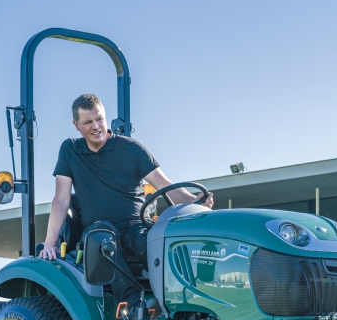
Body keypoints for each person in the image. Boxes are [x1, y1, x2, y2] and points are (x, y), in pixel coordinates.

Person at [39, 94, 213, 307]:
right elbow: (61, 199)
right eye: (88, 122)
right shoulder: (70, 150)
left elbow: (165, 186)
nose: (96, 126)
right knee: (102, 239)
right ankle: (132, 306)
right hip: (98, 230)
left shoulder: (131, 149)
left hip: (134, 225)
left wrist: (195, 201)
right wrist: (50, 244)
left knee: (157, 245)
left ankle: (183, 303)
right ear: (76, 125)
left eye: (99, 119)